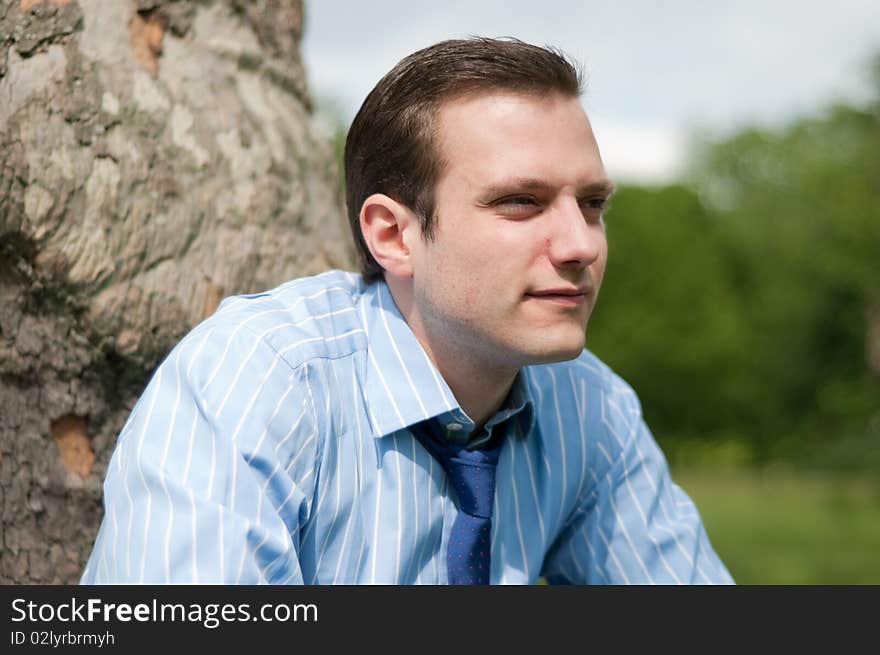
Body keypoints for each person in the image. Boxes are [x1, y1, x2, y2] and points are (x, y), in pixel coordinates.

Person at [81, 37, 733, 585]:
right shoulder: (259, 379)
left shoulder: (590, 408)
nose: (582, 243)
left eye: (591, 204)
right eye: (519, 202)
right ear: (394, 235)